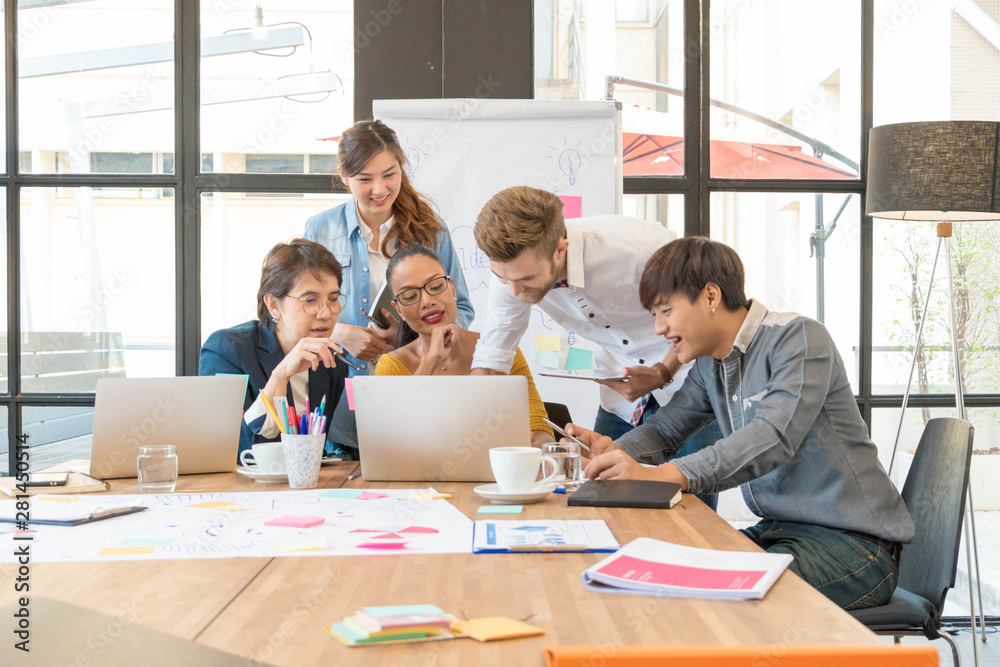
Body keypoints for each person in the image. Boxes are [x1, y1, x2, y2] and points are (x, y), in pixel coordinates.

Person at [574, 236, 915, 610]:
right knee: (670, 579)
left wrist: (666, 475)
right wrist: (614, 451)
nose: (658, 328)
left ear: (710, 296)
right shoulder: (710, 364)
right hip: (779, 530)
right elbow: (666, 429)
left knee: (718, 602)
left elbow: (772, 437)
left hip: (854, 545)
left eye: (665, 311)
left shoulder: (798, 339)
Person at [305, 119, 474, 457]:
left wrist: (412, 333)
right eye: (364, 179)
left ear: (402, 167)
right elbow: (299, 315)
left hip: (416, 384)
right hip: (342, 388)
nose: (379, 189)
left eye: (389, 174)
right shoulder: (321, 230)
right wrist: (340, 333)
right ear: (343, 175)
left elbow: (464, 312)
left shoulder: (431, 230)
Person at [375, 244, 554, 447]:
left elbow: (538, 429)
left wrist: (540, 445)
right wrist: (431, 359)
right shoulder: (391, 366)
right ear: (398, 309)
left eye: (435, 287)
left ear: (452, 288)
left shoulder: (499, 350)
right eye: (409, 296)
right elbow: (392, 444)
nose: (426, 301)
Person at [200, 238, 348, 457]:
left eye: (333, 299)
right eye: (310, 300)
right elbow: (220, 448)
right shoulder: (227, 350)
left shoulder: (331, 360)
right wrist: (280, 376)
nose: (325, 313)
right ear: (273, 304)